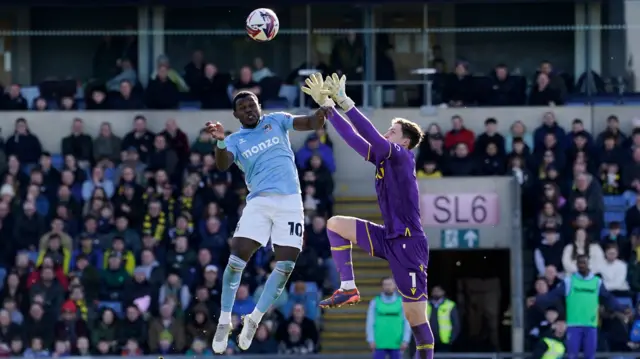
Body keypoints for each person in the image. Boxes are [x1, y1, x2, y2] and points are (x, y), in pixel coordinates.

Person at [301, 73, 433, 359]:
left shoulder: (402, 156)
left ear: (405, 142)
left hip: (410, 245)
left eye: (392, 131)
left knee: (415, 317)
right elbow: (351, 137)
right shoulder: (384, 157)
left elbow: (369, 135)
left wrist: (345, 102)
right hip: (389, 236)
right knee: (334, 224)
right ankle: (348, 287)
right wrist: (328, 107)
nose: (387, 133)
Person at [205, 91, 328, 353]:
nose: (249, 109)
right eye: (242, 107)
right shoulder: (235, 140)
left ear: (260, 106)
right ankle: (225, 321)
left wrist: (325, 107)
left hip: (291, 202)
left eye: (252, 105)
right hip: (259, 201)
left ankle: (254, 319)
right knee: (237, 257)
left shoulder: (278, 121)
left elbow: (312, 123)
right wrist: (219, 142)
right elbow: (223, 165)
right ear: (236, 115)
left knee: (285, 265)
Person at [534, 254, 632, 359]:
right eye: (579, 263)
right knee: (572, 356)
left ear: (588, 264)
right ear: (577, 265)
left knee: (590, 356)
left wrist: (622, 308)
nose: (582, 265)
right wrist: (537, 300)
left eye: (584, 262)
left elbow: (608, 298)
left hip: (591, 326)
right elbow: (553, 296)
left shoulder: (597, 282)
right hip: (573, 326)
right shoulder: (569, 282)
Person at [366, 277, 411, 359]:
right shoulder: (375, 302)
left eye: (390, 284)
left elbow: (406, 322)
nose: (388, 287)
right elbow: (370, 322)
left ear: (395, 286)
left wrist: (405, 340)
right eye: (385, 284)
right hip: (379, 342)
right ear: (382, 287)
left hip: (397, 343)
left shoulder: (402, 302)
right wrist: (371, 340)